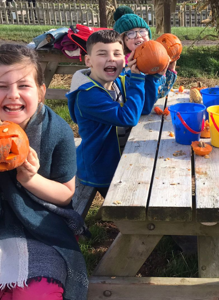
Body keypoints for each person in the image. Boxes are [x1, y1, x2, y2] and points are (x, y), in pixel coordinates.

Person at [0, 44, 88, 300]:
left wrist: (31, 179)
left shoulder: (57, 132)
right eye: (2, 86)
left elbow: (65, 194)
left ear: (41, 92)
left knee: (36, 293)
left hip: (42, 225)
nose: (12, 94)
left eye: (23, 85)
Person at [67, 30, 163, 198]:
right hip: (101, 167)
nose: (111, 58)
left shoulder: (117, 82)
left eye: (117, 53)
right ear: (88, 60)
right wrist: (137, 79)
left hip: (121, 158)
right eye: (102, 54)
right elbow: (129, 118)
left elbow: (144, 108)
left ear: (124, 59)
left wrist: (151, 78)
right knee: (127, 203)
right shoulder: (87, 95)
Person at [113, 6, 178, 99]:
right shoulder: (121, 65)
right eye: (130, 33)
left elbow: (161, 93)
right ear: (122, 41)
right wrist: (134, 75)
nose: (138, 36)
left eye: (142, 31)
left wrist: (170, 69)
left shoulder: (157, 58)